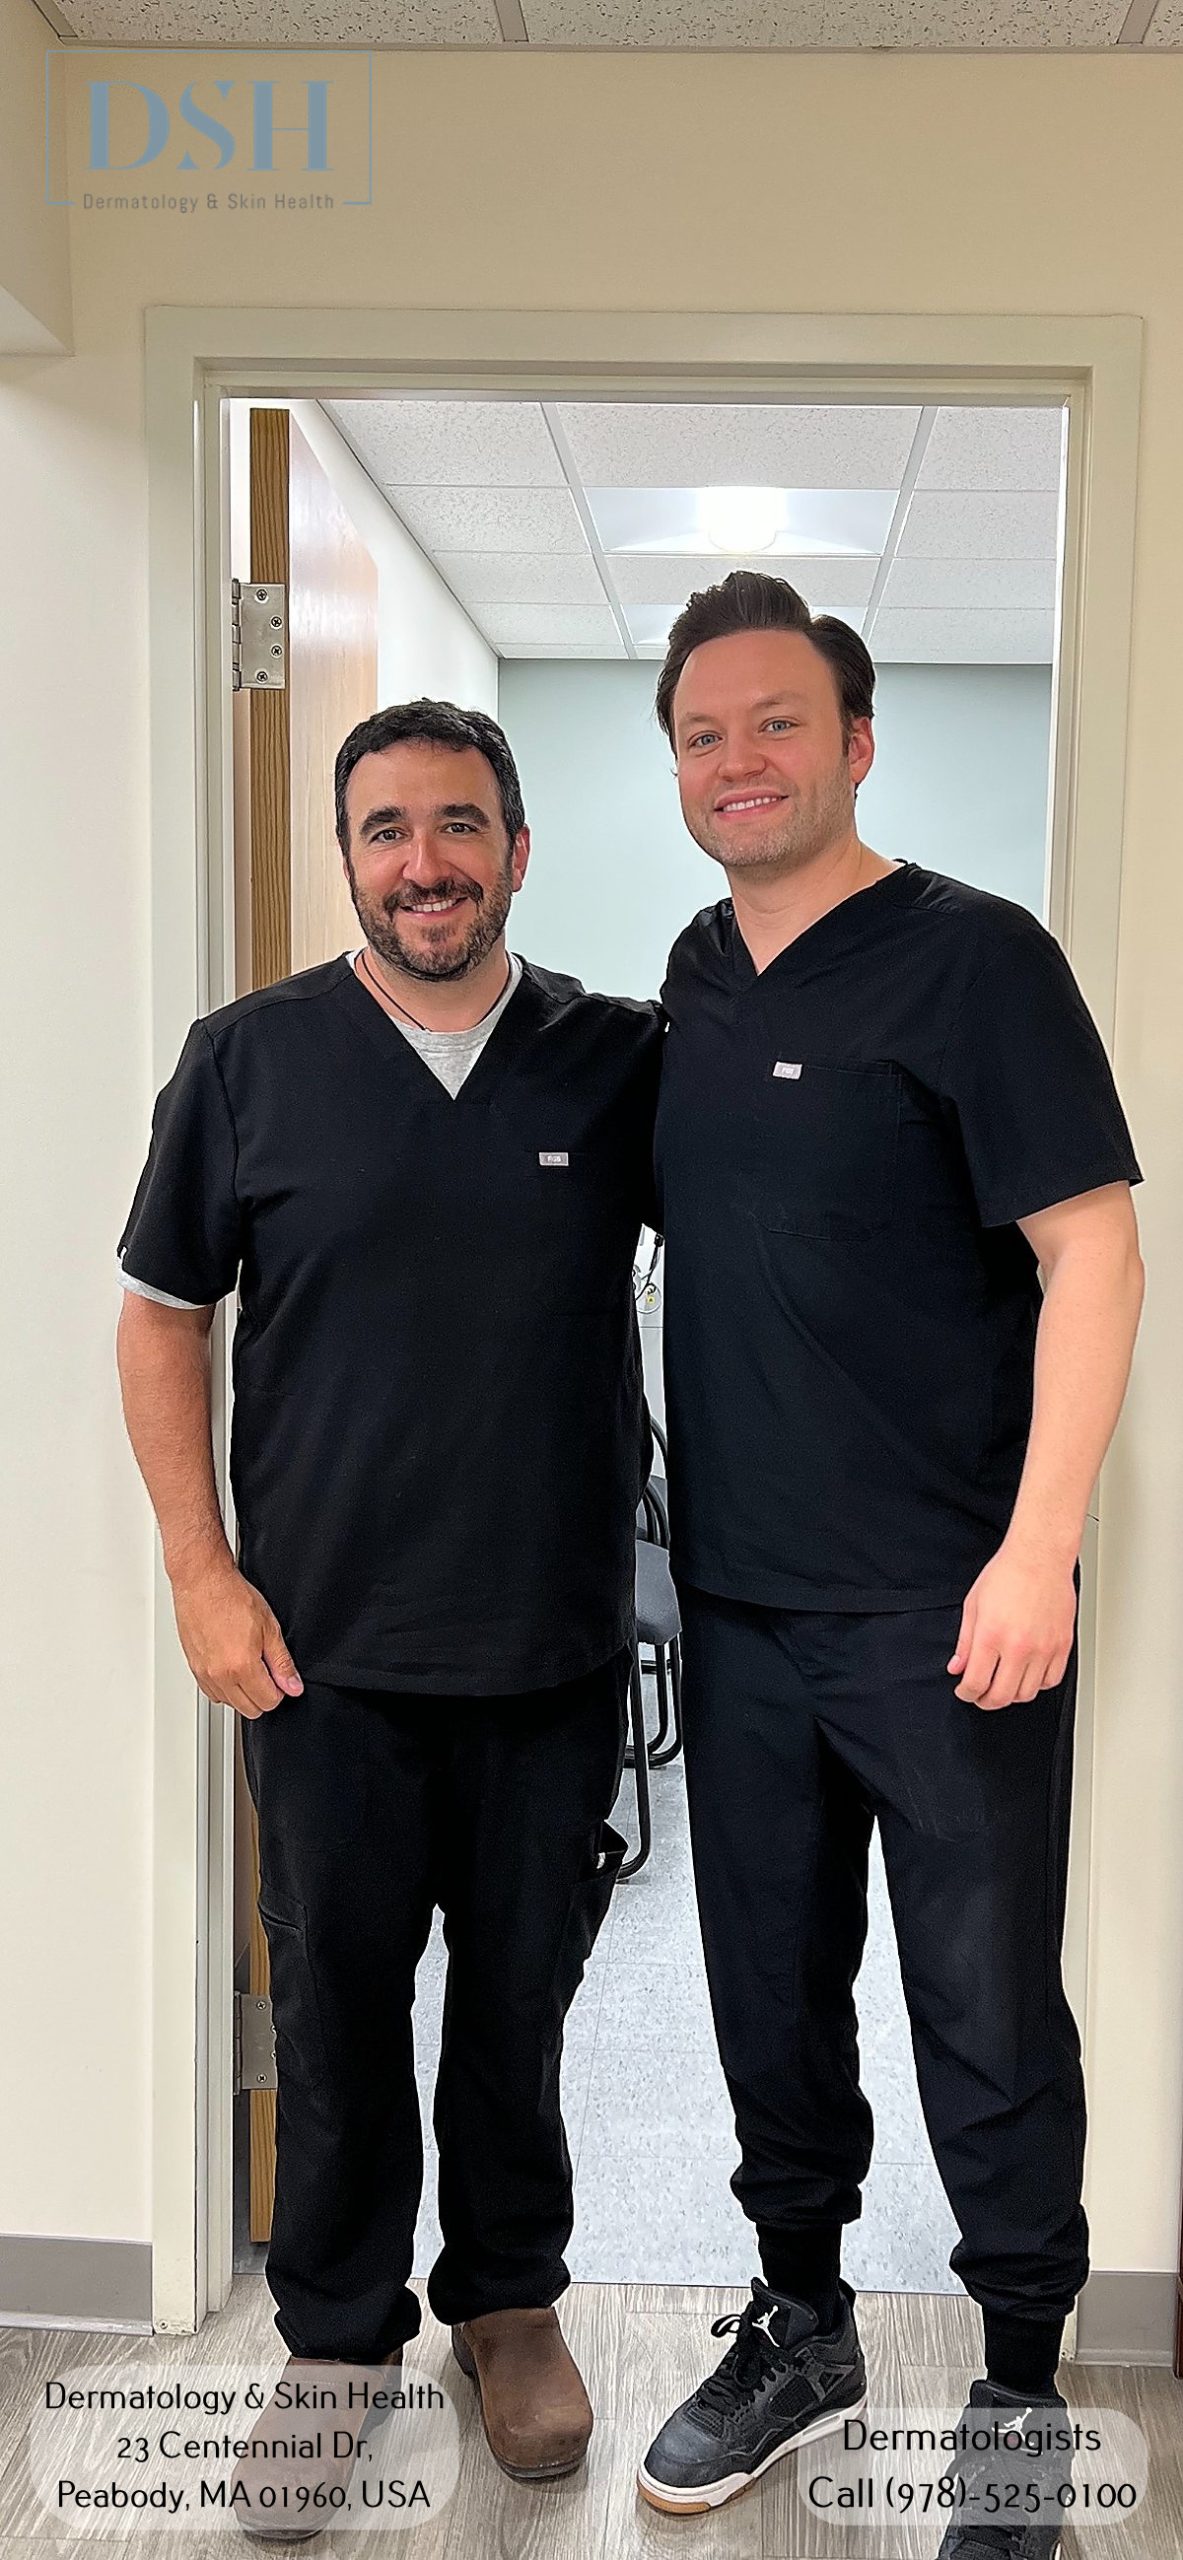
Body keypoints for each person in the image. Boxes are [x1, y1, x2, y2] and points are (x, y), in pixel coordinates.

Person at [636, 573, 1144, 2553]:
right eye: (700, 731)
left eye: (776, 722)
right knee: (766, 1988)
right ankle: (802, 2315)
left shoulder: (975, 961)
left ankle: (1020, 2374)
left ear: (855, 741)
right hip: (742, 1604)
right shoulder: (688, 969)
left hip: (951, 1607)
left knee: (984, 2005)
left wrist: (1040, 1547)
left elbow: (1090, 1248)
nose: (736, 761)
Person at [115, 699, 661, 2531]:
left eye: (457, 823)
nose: (421, 861)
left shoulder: (614, 1060)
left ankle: (506, 2304)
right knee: (340, 2012)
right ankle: (335, 2341)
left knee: (519, 2009)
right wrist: (201, 1571)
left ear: (516, 846)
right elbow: (160, 1319)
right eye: (383, 829)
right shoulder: (249, 1060)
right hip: (319, 1659)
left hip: (553, 1648)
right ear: (345, 854)